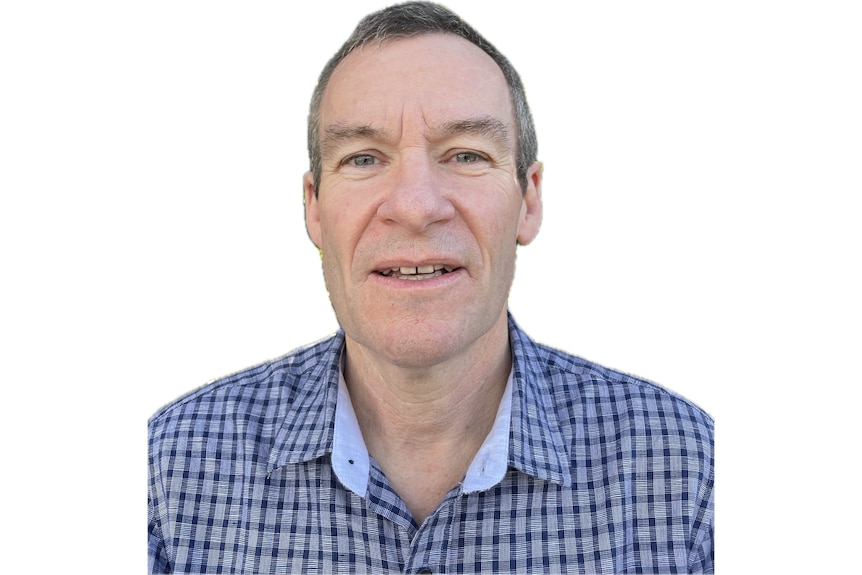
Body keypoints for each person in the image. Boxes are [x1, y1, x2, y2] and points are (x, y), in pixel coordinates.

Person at [148, 2, 714, 573]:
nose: (416, 206)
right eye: (363, 158)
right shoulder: (169, 472)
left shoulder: (687, 472)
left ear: (529, 199)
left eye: (466, 155)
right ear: (314, 208)